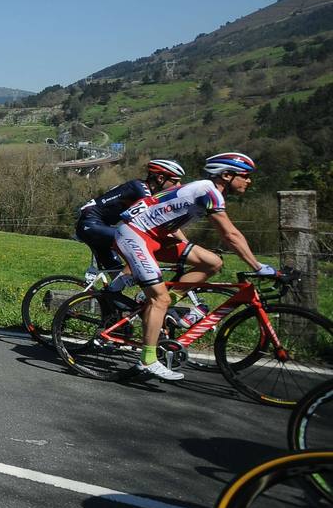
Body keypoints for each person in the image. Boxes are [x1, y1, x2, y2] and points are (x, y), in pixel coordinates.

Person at [114, 152, 274, 381]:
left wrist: (187, 247)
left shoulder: (207, 190)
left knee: (213, 262)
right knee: (160, 299)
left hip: (156, 236)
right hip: (134, 234)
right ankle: (147, 359)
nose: (249, 181)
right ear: (227, 175)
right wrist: (257, 266)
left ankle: (163, 305)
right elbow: (230, 234)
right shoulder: (209, 191)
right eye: (245, 176)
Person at [75, 159, 184, 284]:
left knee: (117, 278)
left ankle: (111, 298)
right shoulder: (141, 191)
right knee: (141, 245)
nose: (179, 185)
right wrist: (185, 247)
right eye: (175, 181)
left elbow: (169, 226)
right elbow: (160, 224)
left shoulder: (144, 190)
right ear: (160, 178)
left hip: (98, 226)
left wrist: (186, 244)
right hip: (90, 225)